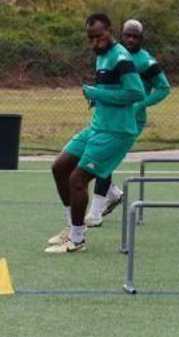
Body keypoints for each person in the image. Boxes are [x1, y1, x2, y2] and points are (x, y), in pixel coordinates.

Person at [46, 13, 146, 254]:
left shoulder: (121, 57)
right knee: (59, 167)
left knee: (77, 179)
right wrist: (98, 97)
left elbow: (136, 93)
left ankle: (77, 239)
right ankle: (72, 227)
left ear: (110, 31)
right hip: (98, 126)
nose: (94, 43)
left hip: (117, 131)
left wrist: (97, 94)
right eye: (90, 38)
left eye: (99, 37)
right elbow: (111, 90)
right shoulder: (102, 56)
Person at [85, 18, 169, 228]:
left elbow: (164, 88)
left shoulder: (146, 62)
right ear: (120, 35)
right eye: (127, 35)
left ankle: (95, 213)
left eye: (135, 36)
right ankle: (112, 192)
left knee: (103, 157)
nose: (131, 39)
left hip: (130, 121)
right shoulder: (110, 54)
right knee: (101, 157)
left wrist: (140, 104)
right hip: (109, 117)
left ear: (142, 38)